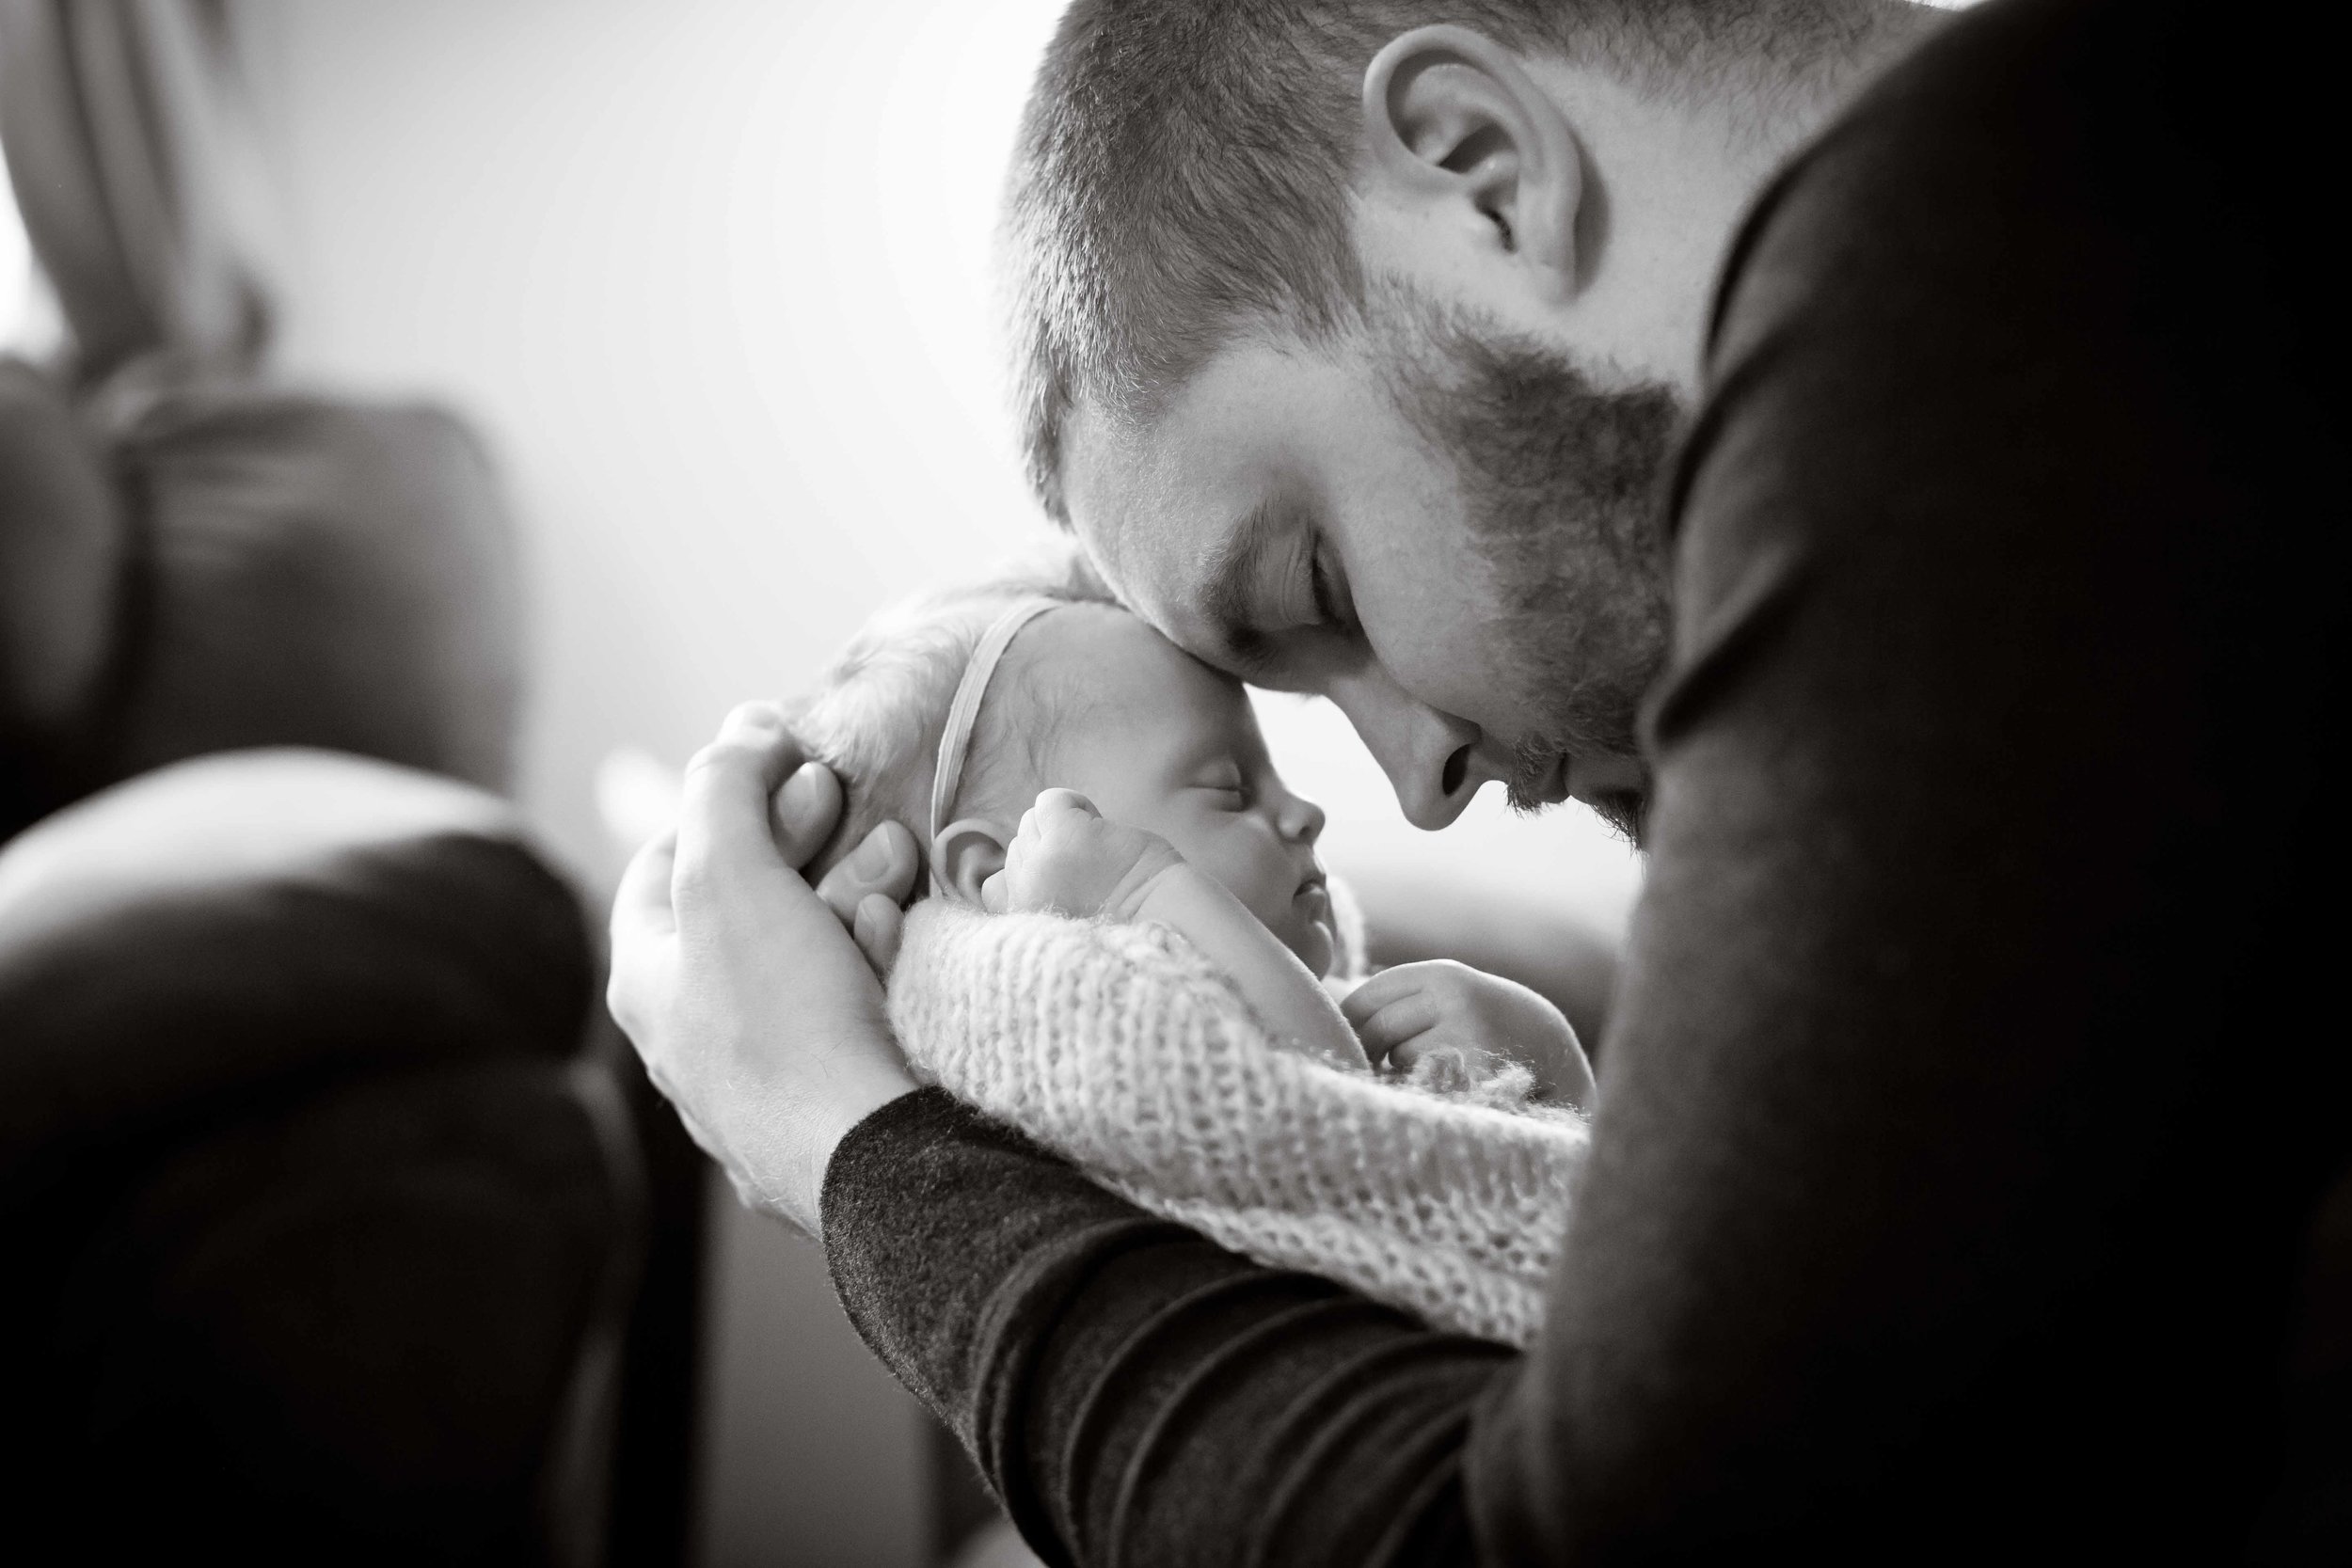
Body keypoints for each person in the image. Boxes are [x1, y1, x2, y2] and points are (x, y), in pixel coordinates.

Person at [612, 0, 2350, 1560]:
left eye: (1319, 591)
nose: (1417, 779)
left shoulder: (1993, 254)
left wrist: (850, 1144)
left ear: (1478, 171)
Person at [792, 560, 1593, 1344]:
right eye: (1230, 789)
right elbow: (1311, 1125)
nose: (1306, 811)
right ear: (1003, 872)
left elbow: (1570, 1187)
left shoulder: (1312, 983)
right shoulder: (1036, 1020)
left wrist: (1540, 1058)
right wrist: (1139, 889)